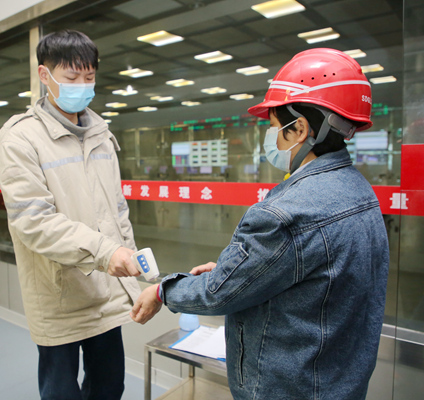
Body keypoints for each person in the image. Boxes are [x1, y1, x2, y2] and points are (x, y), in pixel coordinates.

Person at [130, 48, 389, 400]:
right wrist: (240, 270)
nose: (271, 138)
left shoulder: (286, 213)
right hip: (340, 385)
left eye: (274, 128)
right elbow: (317, 283)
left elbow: (217, 293)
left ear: (299, 129)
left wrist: (163, 291)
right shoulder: (361, 192)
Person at [0, 30, 141, 400]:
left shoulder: (100, 133)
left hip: (107, 288)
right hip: (59, 293)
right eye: (72, 78)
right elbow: (34, 221)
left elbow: (117, 209)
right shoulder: (20, 138)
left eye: (89, 77)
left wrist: (130, 259)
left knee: (110, 386)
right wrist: (107, 252)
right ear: (44, 75)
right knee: (61, 392)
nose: (82, 86)